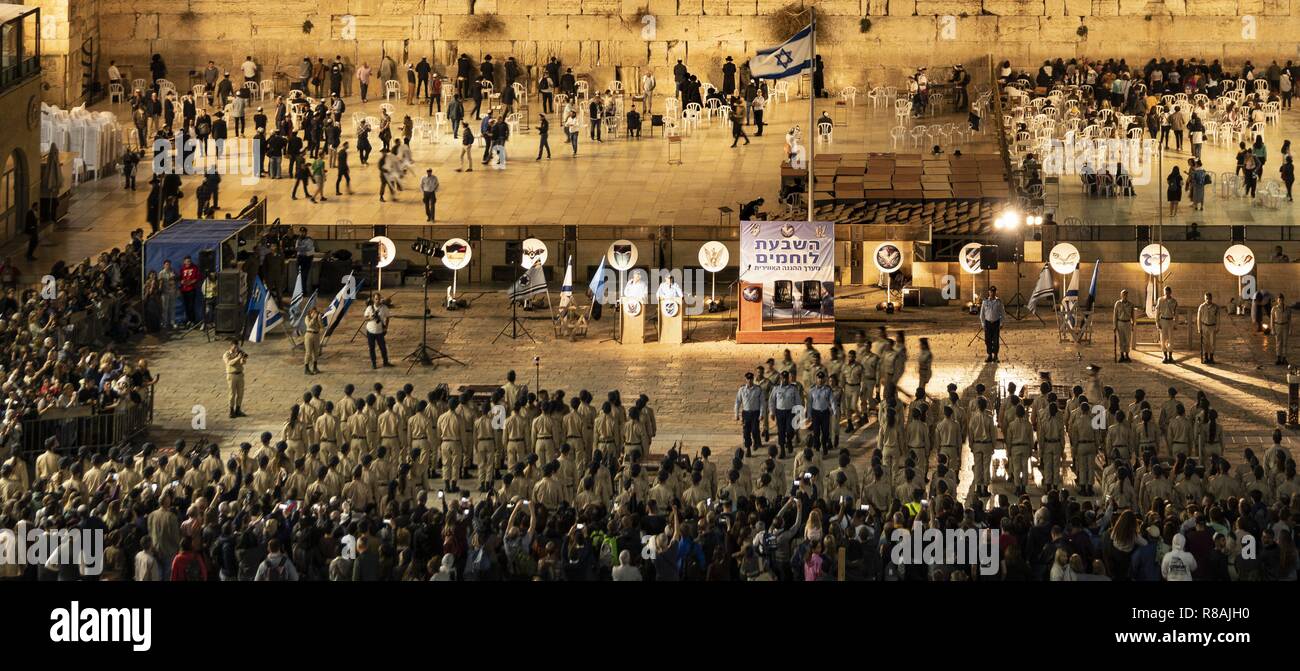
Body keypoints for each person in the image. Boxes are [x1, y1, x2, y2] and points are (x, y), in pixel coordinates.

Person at [734, 372, 764, 456]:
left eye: (751, 379)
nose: (749, 381)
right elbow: (737, 402)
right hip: (746, 413)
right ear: (746, 379)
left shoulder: (758, 389)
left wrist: (761, 414)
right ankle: (748, 448)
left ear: (753, 379)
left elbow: (762, 403)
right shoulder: (742, 389)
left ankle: (755, 441)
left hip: (755, 413)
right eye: (748, 379)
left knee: (755, 430)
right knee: (746, 432)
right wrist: (736, 414)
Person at [364, 294, 393, 369]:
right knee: (372, 348)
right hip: (370, 331)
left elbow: (387, 318)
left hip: (380, 331)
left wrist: (386, 327)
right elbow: (365, 318)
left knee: (383, 347)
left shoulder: (384, 308)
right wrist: (371, 317)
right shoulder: (370, 308)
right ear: (374, 299)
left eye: (379, 299)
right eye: (376, 299)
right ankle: (374, 363)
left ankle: (385, 362)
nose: (378, 300)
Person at [980, 285, 1005, 363]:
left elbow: (1003, 314)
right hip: (987, 323)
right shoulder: (985, 302)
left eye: (994, 292)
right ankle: (989, 355)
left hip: (996, 323)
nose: (992, 293)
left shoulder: (999, 302)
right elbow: (982, 314)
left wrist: (1001, 323)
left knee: (996, 340)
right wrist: (983, 324)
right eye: (991, 292)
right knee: (988, 340)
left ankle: (996, 356)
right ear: (989, 292)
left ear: (995, 292)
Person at [224, 339, 247, 418]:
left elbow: (243, 363)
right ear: (231, 346)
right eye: (235, 346)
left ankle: (238, 409)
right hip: (231, 375)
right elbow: (229, 363)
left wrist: (243, 358)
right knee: (232, 394)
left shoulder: (239, 352)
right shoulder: (226, 354)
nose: (236, 348)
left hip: (240, 374)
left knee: (240, 393)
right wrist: (237, 358)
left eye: (237, 346)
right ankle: (231, 410)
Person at [1156, 285, 1178, 363]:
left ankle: (1170, 355)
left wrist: (1176, 323)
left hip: (1170, 320)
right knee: (1163, 339)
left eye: (1168, 292)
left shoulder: (1174, 301)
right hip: (1163, 320)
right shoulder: (1160, 300)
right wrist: (1157, 322)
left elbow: (1176, 313)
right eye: (1165, 292)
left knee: (1171, 339)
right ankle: (1165, 355)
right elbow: (1157, 311)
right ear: (1164, 292)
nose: (1167, 294)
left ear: (1170, 292)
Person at [1113, 289, 1136, 363]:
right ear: (1121, 295)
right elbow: (1115, 315)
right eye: (1123, 295)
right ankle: (1122, 355)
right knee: (1121, 340)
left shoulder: (1131, 304)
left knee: (1127, 339)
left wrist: (1133, 325)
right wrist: (1114, 326)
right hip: (1120, 322)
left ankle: (1127, 354)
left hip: (1127, 323)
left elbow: (1133, 316)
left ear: (1127, 295)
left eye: (1126, 295)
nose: (1124, 296)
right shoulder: (1118, 303)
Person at [1197, 292, 1220, 364]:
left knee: (1212, 342)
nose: (1208, 300)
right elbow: (1199, 318)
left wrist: (1217, 327)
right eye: (1206, 298)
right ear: (1204, 298)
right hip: (1204, 326)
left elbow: (1218, 318)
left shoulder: (1216, 307)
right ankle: (1206, 357)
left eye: (1209, 298)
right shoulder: (1202, 307)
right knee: (1205, 343)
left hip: (1212, 326)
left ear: (1211, 298)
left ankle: (1211, 357)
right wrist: (1199, 328)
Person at [1271, 294, 1291, 365]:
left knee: (1285, 343)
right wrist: (1272, 329)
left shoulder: (1287, 309)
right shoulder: (1274, 309)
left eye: (1282, 300)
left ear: (1283, 300)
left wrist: (1290, 329)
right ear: (1277, 300)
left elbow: (1289, 320)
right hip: (1277, 326)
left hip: (1285, 326)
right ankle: (1278, 358)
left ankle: (1284, 358)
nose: (1280, 301)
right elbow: (1272, 320)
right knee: (1278, 343)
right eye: (1279, 300)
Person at [303, 305, 323, 375]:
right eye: (313, 311)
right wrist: (314, 318)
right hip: (309, 335)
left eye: (315, 311)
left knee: (316, 352)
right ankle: (306, 368)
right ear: (310, 312)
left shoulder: (317, 317)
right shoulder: (307, 317)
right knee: (308, 352)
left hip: (316, 335)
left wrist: (319, 319)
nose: (315, 313)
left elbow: (321, 326)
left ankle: (315, 367)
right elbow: (309, 325)